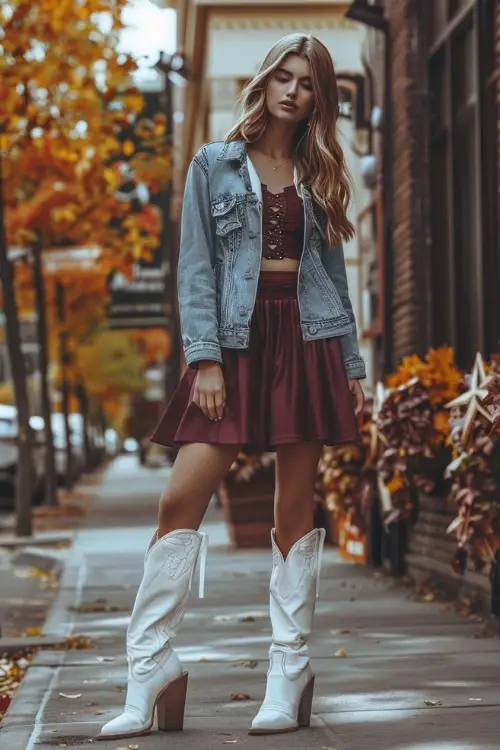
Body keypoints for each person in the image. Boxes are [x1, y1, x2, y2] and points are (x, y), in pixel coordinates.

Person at [97, 32, 365, 742]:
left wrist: (352, 366)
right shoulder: (214, 165)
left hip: (306, 339)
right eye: (283, 76)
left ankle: (289, 671)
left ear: (319, 98)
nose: (291, 91)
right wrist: (205, 360)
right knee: (179, 498)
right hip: (237, 342)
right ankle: (151, 666)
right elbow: (195, 268)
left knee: (293, 510)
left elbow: (332, 280)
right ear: (264, 80)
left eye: (307, 83)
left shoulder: (319, 171)